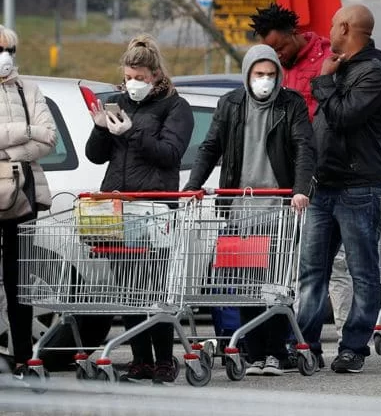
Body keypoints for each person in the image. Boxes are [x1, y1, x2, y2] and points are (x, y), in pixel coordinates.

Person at [184, 45, 315, 375]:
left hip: (279, 208)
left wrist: (300, 190)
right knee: (243, 282)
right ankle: (253, 351)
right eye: (259, 74)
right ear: (247, 75)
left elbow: (303, 149)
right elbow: (210, 146)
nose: (265, 81)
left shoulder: (291, 104)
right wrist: (193, 185)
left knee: (274, 284)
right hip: (240, 209)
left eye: (271, 75)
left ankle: (276, 351)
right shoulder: (230, 104)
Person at [86, 34, 194, 384]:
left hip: (154, 207)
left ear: (155, 75)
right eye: (129, 77)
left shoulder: (175, 106)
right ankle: (139, 359)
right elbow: (96, 155)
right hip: (118, 205)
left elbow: (170, 154)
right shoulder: (117, 102)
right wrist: (102, 129)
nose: (133, 84)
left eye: (140, 78)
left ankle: (163, 359)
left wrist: (133, 133)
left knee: (154, 287)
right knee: (128, 288)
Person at [295, 4, 381, 374]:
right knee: (311, 271)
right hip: (325, 186)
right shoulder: (343, 69)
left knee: (362, 272)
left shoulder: (374, 74)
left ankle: (353, 346)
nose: (330, 31)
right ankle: (305, 345)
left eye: (334, 25)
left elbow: (342, 116)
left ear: (347, 28)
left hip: (359, 188)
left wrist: (323, 81)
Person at [251, 4, 354, 350]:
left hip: (326, 175)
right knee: (294, 266)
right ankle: (295, 338)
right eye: (272, 51)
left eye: (281, 47)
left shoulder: (328, 54)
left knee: (335, 264)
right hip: (288, 180)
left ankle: (347, 337)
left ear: (294, 34)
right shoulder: (272, 70)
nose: (277, 55)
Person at [0, 24, 57, 378]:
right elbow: (35, 134)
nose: (5, 57)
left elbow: (49, 138)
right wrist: (24, 132)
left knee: (19, 279)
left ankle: (22, 355)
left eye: (8, 50)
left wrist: (5, 149)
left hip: (25, 194)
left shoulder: (30, 90)